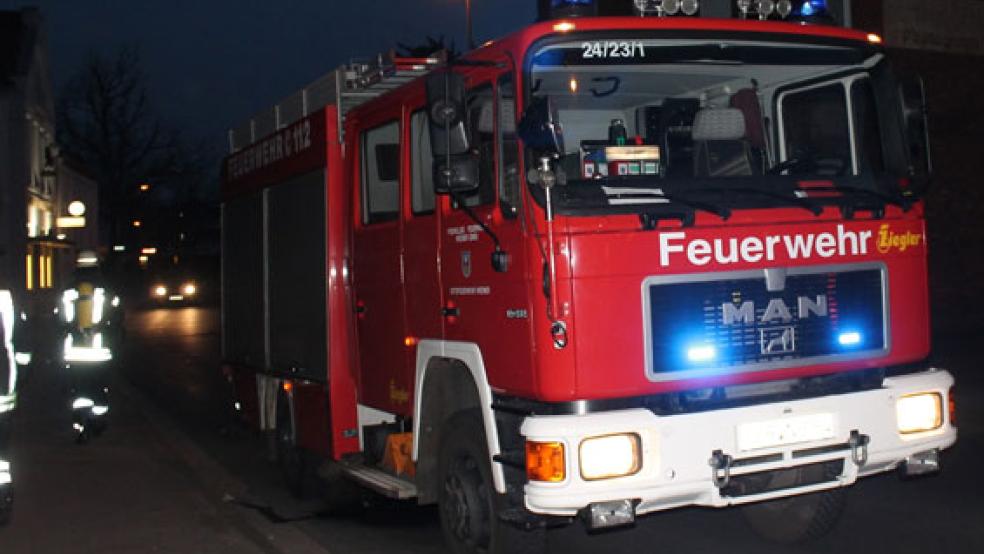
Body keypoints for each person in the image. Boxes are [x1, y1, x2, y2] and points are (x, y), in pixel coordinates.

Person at [61, 251, 121, 441]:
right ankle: (97, 421)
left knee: (78, 389)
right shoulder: (106, 290)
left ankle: (80, 425)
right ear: (97, 266)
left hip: (74, 352)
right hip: (99, 352)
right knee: (98, 387)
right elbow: (117, 317)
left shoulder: (68, 290)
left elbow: (59, 320)